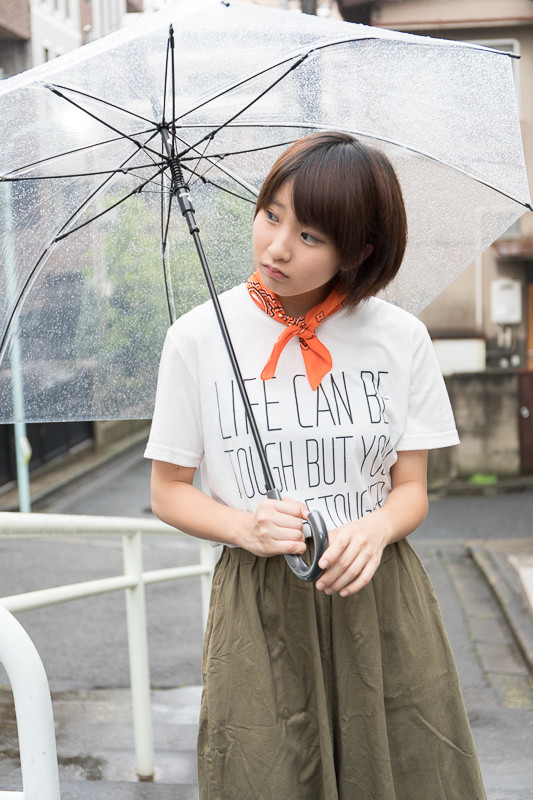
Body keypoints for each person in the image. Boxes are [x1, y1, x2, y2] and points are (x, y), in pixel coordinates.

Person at [144, 131, 486, 800]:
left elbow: (411, 489)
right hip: (260, 606)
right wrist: (244, 527)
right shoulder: (198, 337)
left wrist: (376, 529)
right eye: (271, 215)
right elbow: (168, 491)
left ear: (358, 250)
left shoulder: (400, 338)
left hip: (376, 592)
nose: (277, 247)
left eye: (309, 236)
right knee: (265, 775)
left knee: (404, 774)